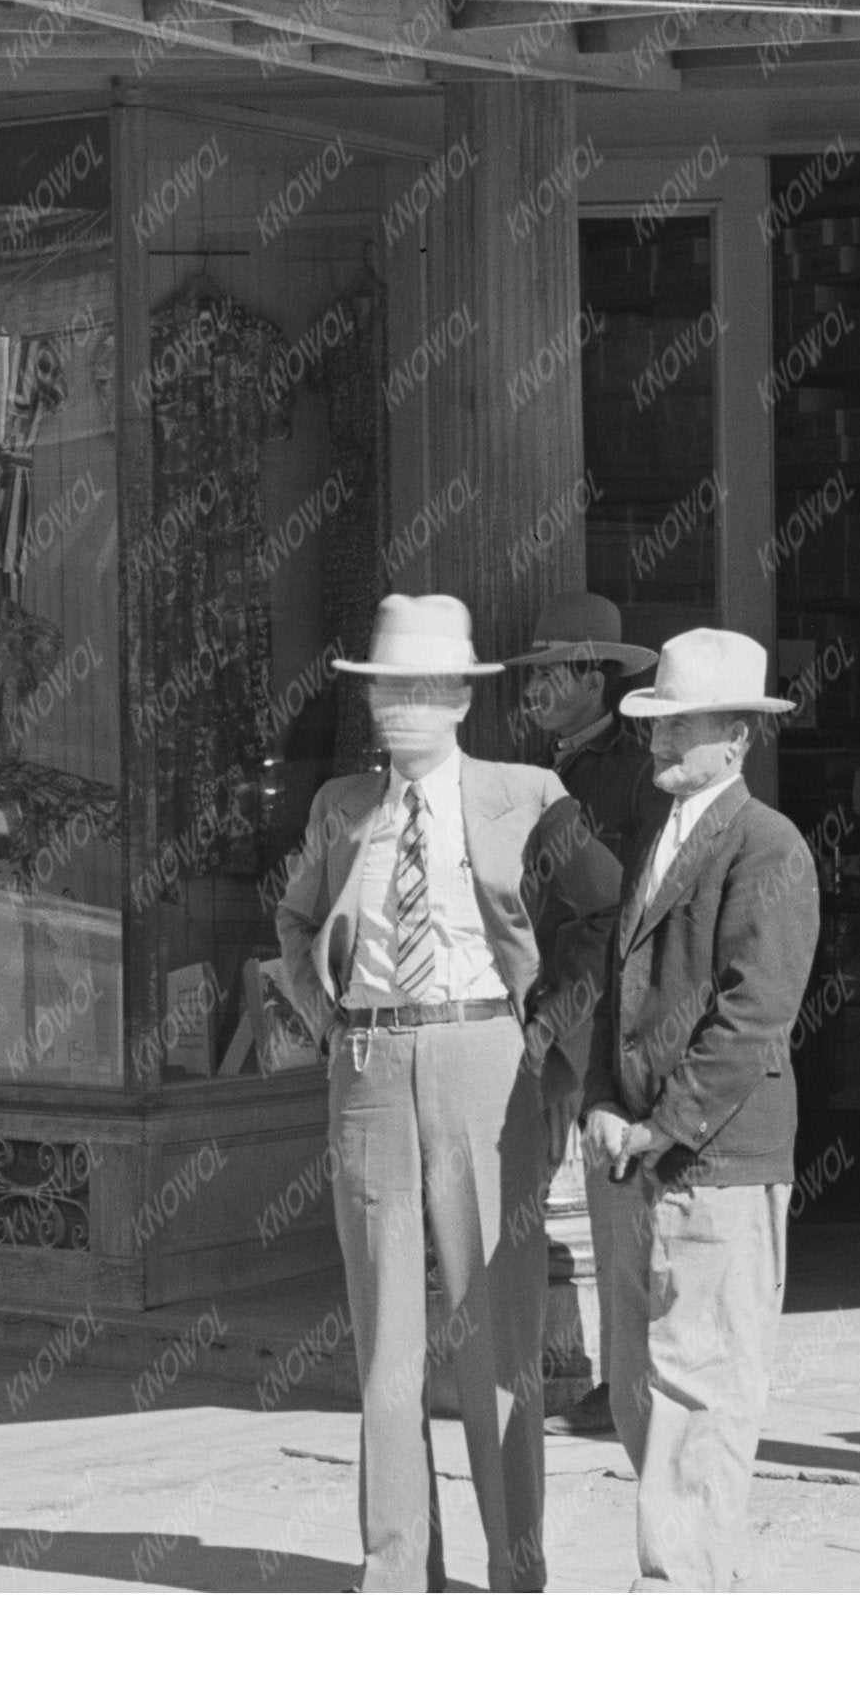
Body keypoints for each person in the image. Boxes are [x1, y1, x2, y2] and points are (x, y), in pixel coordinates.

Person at [271, 587, 566, 1592]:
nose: (403, 706)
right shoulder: (342, 805)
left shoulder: (527, 794)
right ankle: (396, 1572)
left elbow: (598, 918)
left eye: (424, 687)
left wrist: (548, 1036)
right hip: (368, 1062)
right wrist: (328, 1023)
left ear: (461, 699)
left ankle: (515, 1570)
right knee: (385, 1336)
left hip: (482, 1054)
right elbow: (294, 920)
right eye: (387, 687)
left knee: (497, 1326)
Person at [575, 624, 820, 1587]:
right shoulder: (660, 835)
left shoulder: (767, 845)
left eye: (686, 723)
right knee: (643, 1390)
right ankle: (698, 1579)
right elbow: (616, 984)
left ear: (739, 737)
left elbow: (753, 1015)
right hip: (635, 1153)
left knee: (701, 1388)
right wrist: (601, 1100)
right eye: (657, 722)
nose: (663, 739)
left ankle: (678, 1592)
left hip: (714, 1160)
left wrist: (660, 1125)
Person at [507, 590, 660, 1428]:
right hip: (534, 1011)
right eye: (530, 675)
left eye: (553, 673)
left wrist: (560, 1013)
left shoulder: (633, 772)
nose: (534, 690)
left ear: (596, 678)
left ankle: (626, 1382)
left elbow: (623, 912)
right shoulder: (530, 771)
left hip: (595, 1020)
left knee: (614, 1210)